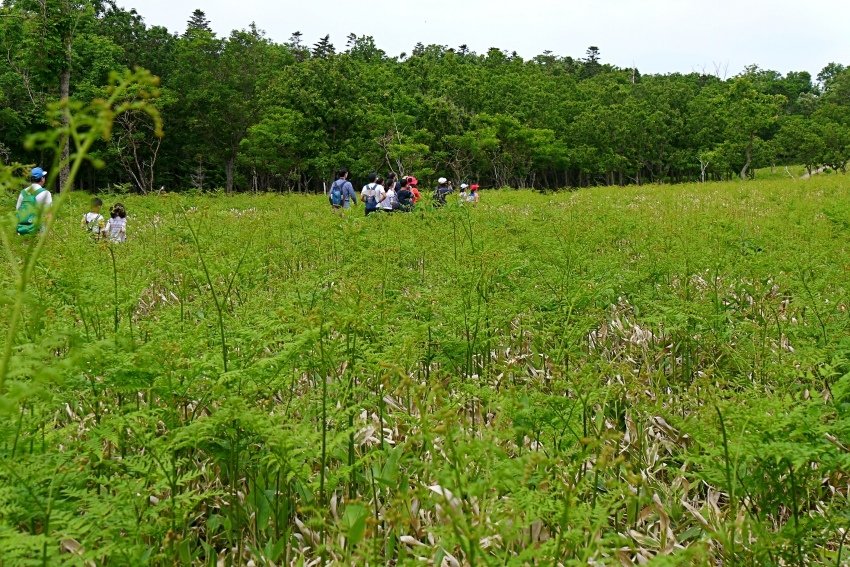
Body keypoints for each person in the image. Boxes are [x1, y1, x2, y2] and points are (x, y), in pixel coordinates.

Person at [15, 167, 53, 235]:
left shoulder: (23, 193)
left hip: (22, 231)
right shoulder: (46, 193)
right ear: (42, 179)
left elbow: (18, 210)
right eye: (43, 177)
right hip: (38, 232)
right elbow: (48, 214)